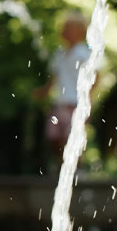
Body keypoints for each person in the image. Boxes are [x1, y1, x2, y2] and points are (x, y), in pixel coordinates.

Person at [34, 12, 93, 165]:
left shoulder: (84, 53)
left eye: (68, 27)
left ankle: (78, 169)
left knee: (72, 137)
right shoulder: (59, 54)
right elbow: (55, 78)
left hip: (76, 103)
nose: (63, 30)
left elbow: (96, 77)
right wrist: (45, 91)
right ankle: (62, 167)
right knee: (53, 135)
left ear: (79, 30)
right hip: (60, 102)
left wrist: (87, 98)